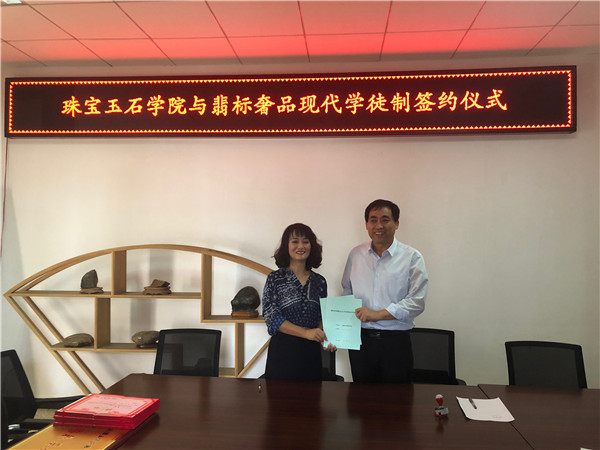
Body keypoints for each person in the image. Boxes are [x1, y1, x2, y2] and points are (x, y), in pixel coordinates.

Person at [342, 199, 428, 383]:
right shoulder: (355, 255)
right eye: (373, 220)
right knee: (362, 397)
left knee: (397, 398)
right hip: (361, 342)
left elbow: (417, 302)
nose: (379, 225)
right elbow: (347, 291)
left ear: (396, 223)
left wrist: (378, 314)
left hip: (395, 343)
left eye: (385, 219)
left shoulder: (412, 257)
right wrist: (339, 331)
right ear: (366, 224)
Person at [263, 223, 331, 381]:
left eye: (305, 242)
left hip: (311, 353)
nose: (301, 246)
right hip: (282, 353)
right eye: (295, 241)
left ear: (311, 246)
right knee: (280, 396)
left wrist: (327, 336)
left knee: (312, 396)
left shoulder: (319, 281)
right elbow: (271, 317)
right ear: (286, 246)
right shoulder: (275, 279)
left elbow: (323, 316)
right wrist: (306, 333)